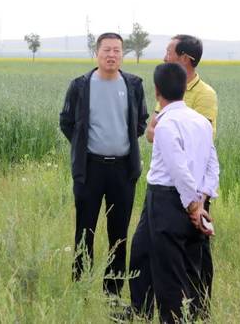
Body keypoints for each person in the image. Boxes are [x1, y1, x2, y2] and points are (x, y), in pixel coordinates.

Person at [59, 32, 148, 297]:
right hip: (90, 169)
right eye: (106, 50)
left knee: (118, 235)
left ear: (123, 54)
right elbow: (66, 121)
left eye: (117, 51)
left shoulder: (133, 84)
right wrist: (83, 144)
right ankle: (81, 288)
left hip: (123, 170)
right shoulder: (80, 85)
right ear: (96, 53)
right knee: (84, 231)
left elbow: (140, 121)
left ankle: (113, 292)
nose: (112, 55)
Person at [130, 63, 219, 323]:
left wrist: (194, 206)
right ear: (183, 88)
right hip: (191, 197)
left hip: (168, 199)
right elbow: (213, 165)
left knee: (169, 273)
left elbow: (178, 170)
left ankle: (175, 318)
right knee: (145, 252)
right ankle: (140, 310)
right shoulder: (201, 121)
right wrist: (202, 199)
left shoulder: (165, 125)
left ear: (156, 91)